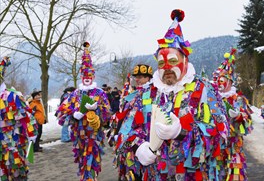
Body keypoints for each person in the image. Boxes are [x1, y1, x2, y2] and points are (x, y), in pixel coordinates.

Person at [113, 9, 229, 180]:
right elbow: (124, 132)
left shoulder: (205, 90)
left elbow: (221, 133)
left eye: (173, 61)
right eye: (161, 62)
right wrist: (138, 147)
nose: (167, 67)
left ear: (185, 61)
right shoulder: (144, 93)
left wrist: (183, 132)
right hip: (154, 174)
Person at [56, 42, 111, 181]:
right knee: (82, 157)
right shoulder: (75, 93)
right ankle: (85, 177)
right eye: (84, 76)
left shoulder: (100, 93)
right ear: (81, 77)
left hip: (94, 133)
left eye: (89, 75)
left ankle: (91, 177)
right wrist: (74, 113)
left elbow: (107, 112)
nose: (87, 78)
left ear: (93, 77)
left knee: (92, 157)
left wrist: (97, 109)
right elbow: (61, 110)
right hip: (78, 134)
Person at [212, 48, 253, 181]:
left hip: (234, 144)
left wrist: (239, 116)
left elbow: (249, 122)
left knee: (235, 173)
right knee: (217, 172)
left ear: (230, 81)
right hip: (216, 145)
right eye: (217, 80)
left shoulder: (238, 99)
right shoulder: (212, 99)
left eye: (222, 80)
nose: (219, 83)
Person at [0, 56, 38, 180]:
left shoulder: (12, 96)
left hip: (13, 145)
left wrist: (32, 133)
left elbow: (27, 116)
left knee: (16, 173)